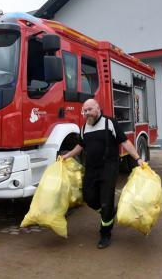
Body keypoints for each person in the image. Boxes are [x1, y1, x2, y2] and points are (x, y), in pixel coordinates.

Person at [61, 98, 144, 249]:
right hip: (91, 168)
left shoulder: (109, 123)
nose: (87, 113)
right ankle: (109, 213)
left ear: (98, 109)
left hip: (108, 168)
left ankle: (105, 234)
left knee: (106, 200)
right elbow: (80, 145)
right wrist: (67, 155)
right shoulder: (85, 127)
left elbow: (125, 142)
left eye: (90, 110)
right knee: (88, 197)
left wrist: (137, 158)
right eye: (85, 111)